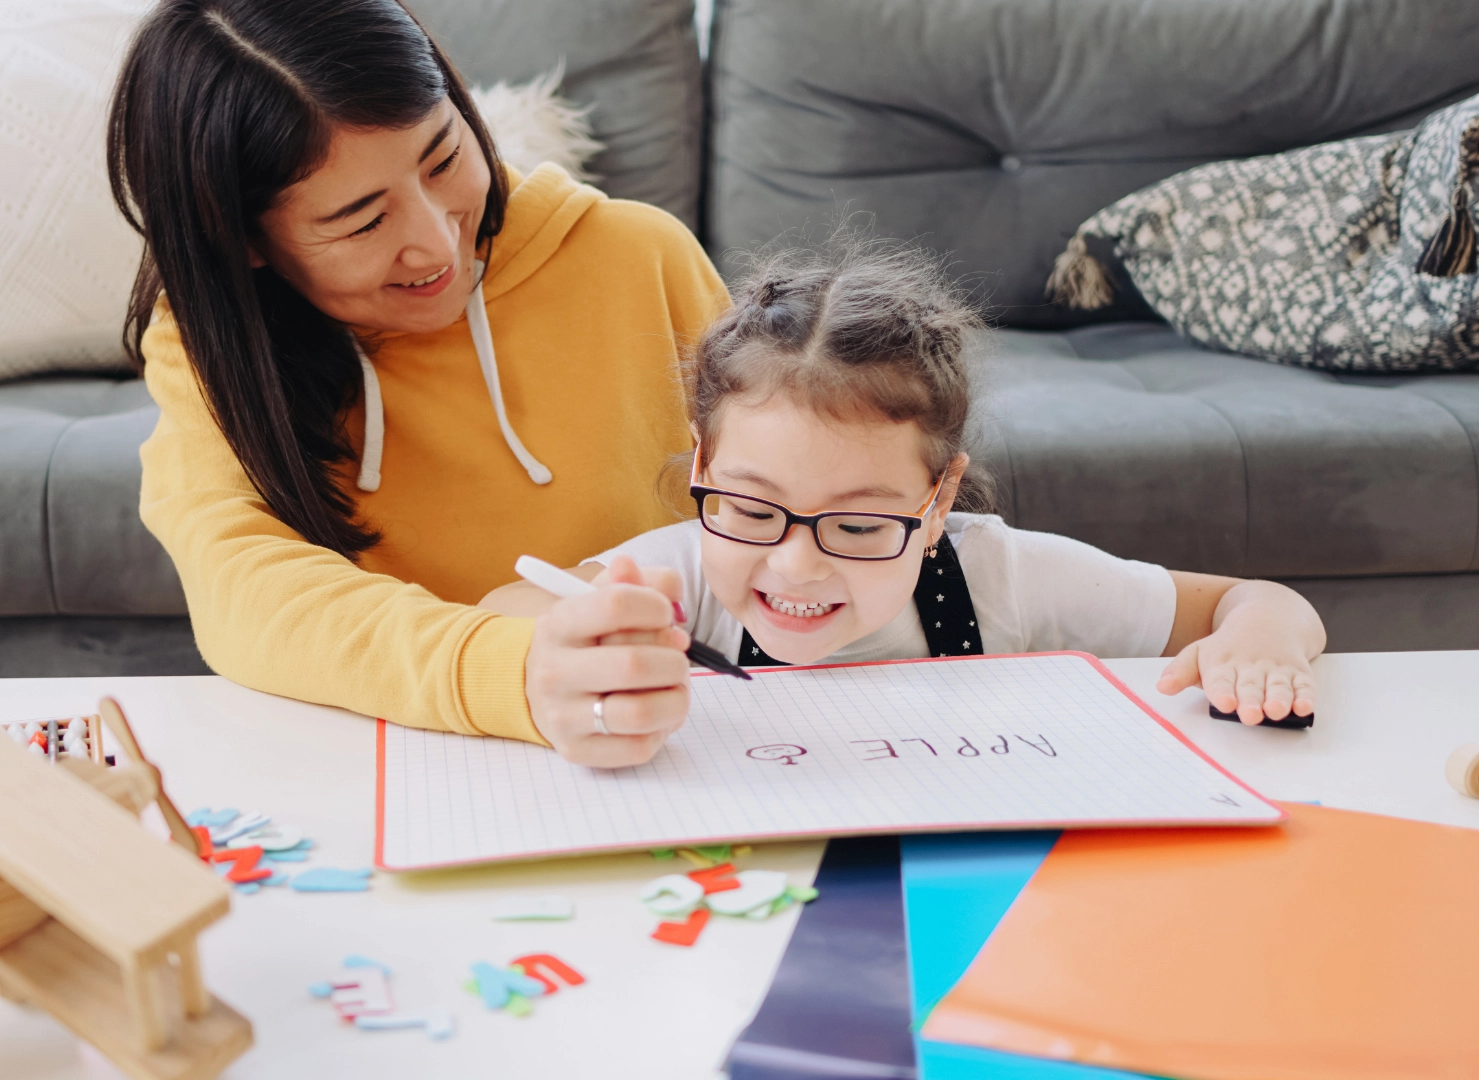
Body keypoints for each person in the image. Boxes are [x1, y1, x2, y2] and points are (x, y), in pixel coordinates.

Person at [110, 0, 718, 768]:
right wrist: (511, 671)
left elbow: (775, 499)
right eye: (363, 221)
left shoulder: (641, 256)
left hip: (673, 742)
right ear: (245, 241)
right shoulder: (213, 348)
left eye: (441, 160)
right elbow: (243, 587)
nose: (435, 242)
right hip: (406, 755)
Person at [482, 238, 1327, 730]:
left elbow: (1252, 601)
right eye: (750, 508)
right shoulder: (680, 579)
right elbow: (492, 621)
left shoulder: (1000, 576)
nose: (795, 566)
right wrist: (583, 638)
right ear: (702, 467)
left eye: (857, 528)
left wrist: (1262, 639)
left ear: (938, 502)